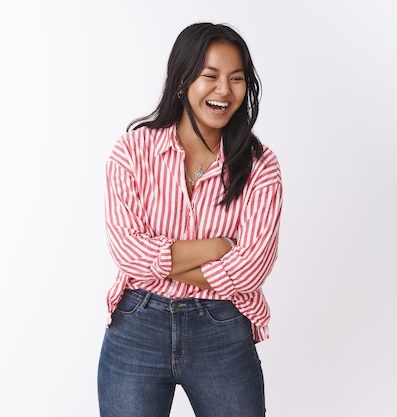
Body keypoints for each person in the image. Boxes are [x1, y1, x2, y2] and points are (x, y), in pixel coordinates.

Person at [97, 22, 283, 417]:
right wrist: (217, 249)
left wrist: (160, 262)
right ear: (182, 80)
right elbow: (127, 252)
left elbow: (250, 271)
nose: (224, 91)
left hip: (223, 329)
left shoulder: (260, 166)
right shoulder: (132, 152)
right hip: (136, 326)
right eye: (210, 76)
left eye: (237, 79)